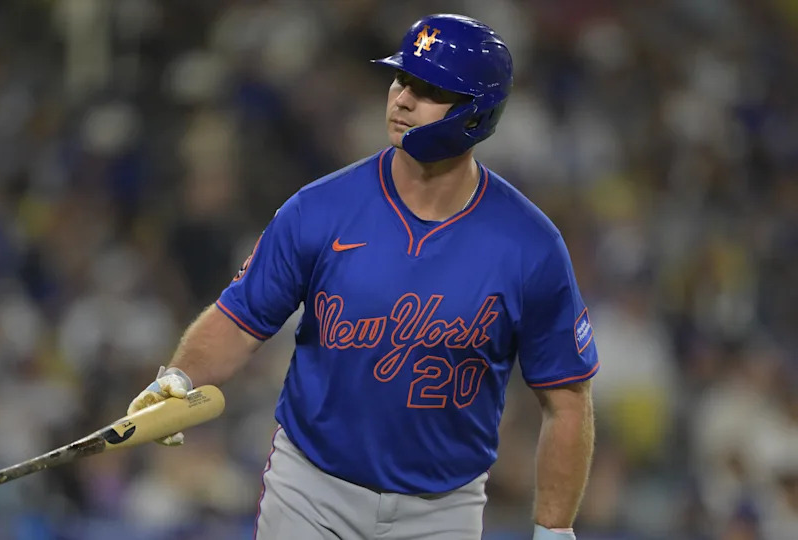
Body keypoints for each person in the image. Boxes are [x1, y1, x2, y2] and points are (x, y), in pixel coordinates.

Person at [128, 13, 598, 540]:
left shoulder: (529, 245)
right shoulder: (319, 210)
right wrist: (180, 376)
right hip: (312, 491)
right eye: (400, 79)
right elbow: (240, 321)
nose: (400, 98)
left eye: (427, 89)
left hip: (441, 511)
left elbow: (566, 400)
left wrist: (554, 532)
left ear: (475, 113)